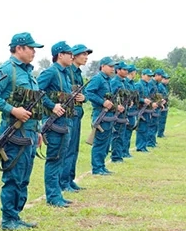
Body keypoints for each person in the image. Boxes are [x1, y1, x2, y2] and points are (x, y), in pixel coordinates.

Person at [0, 32, 45, 231]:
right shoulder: (7, 70)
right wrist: (12, 110)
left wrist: (39, 131)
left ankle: (16, 216)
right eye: (31, 48)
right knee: (14, 176)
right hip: (14, 132)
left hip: (30, 132)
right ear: (19, 48)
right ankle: (8, 219)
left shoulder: (29, 73)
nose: (34, 52)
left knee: (24, 177)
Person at [38, 41, 75, 208]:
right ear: (60, 55)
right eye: (69, 53)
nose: (72, 56)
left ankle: (57, 192)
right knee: (53, 159)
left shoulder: (65, 74)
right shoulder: (51, 72)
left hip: (65, 122)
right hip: (54, 124)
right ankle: (53, 196)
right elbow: (37, 91)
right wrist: (51, 105)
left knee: (60, 158)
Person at [85, 57, 123, 174]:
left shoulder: (107, 80)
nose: (113, 69)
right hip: (100, 114)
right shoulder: (98, 79)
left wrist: (116, 106)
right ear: (102, 66)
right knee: (100, 142)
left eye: (113, 67)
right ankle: (97, 168)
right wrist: (102, 102)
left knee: (106, 143)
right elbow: (88, 92)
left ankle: (101, 166)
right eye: (110, 66)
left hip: (108, 114)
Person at [61, 44, 91, 193]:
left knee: (74, 149)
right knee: (67, 149)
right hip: (68, 114)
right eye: (83, 54)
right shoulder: (66, 72)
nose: (86, 58)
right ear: (75, 55)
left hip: (77, 114)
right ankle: (63, 181)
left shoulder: (78, 73)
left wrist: (83, 97)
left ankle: (70, 179)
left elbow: (85, 93)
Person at [134, 69, 155, 152]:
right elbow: (135, 97)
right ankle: (140, 147)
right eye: (147, 76)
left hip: (147, 110)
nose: (149, 78)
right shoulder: (138, 85)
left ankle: (144, 146)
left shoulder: (148, 85)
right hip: (140, 110)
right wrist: (143, 100)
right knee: (141, 129)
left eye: (150, 76)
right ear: (142, 75)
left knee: (146, 128)